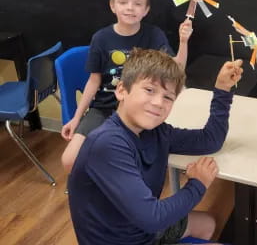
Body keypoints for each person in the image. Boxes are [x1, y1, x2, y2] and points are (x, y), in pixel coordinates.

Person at [68, 48, 243, 245]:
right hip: (132, 236)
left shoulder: (157, 132)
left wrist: (222, 89)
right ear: (121, 91)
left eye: (168, 97)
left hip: (143, 230)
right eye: (149, 90)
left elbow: (210, 140)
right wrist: (198, 183)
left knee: (208, 223)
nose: (159, 103)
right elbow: (153, 218)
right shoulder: (107, 144)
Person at [61, 0, 193, 171]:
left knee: (131, 160)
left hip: (140, 108)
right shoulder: (101, 38)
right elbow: (94, 80)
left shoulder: (154, 35)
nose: (130, 8)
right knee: (70, 160)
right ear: (112, 6)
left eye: (137, 4)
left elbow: (176, 70)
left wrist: (183, 41)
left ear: (146, 10)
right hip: (104, 108)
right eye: (123, 3)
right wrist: (76, 118)